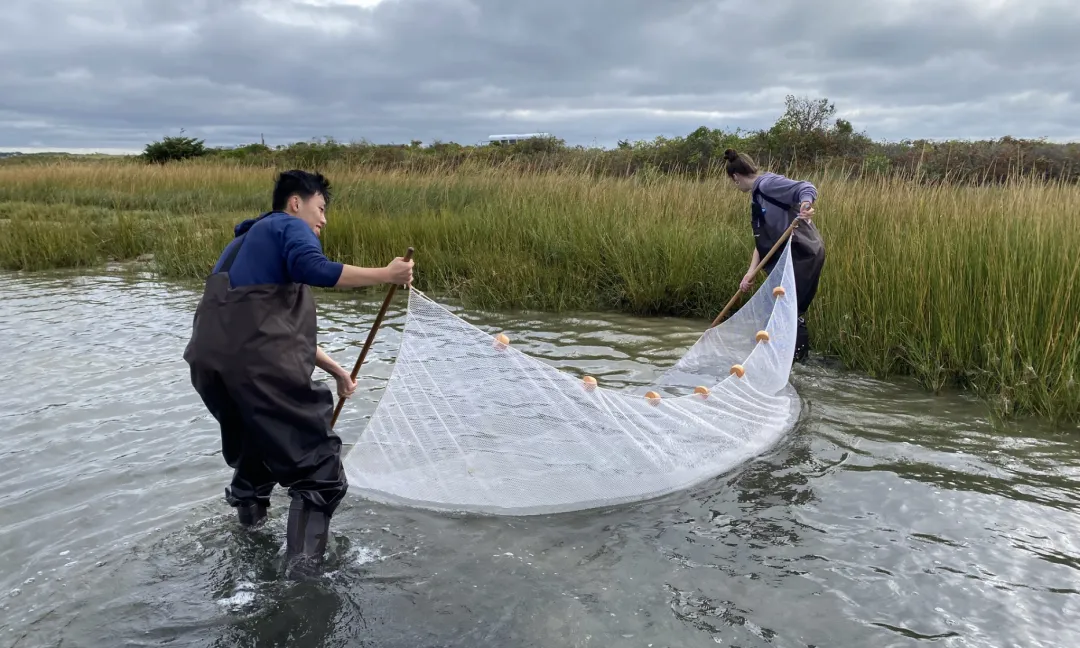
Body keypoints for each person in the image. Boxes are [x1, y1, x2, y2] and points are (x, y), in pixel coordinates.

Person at [182, 169, 414, 577]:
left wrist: (338, 371)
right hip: (258, 369)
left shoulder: (240, 245)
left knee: (257, 458)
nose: (323, 220)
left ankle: (248, 545)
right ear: (295, 202)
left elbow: (260, 327)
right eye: (320, 208)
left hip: (212, 370)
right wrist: (386, 274)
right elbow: (318, 270)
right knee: (320, 471)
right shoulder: (289, 227)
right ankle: (301, 579)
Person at [723, 149, 825, 362]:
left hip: (802, 253)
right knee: (780, 308)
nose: (736, 186)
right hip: (788, 257)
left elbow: (805, 187)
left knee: (788, 309)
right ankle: (784, 358)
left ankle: (797, 362)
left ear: (735, 177)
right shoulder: (758, 196)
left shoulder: (768, 185)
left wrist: (806, 204)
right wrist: (750, 273)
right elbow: (763, 241)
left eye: (734, 182)